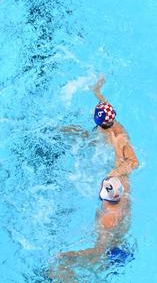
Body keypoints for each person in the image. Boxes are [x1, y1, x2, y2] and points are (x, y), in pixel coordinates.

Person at [52, 77, 138, 280]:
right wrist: (97, 92)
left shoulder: (119, 138)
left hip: (115, 185)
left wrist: (114, 173)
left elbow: (133, 163)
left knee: (98, 246)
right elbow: (106, 109)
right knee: (81, 134)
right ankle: (115, 252)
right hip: (118, 193)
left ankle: (91, 265)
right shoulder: (112, 124)